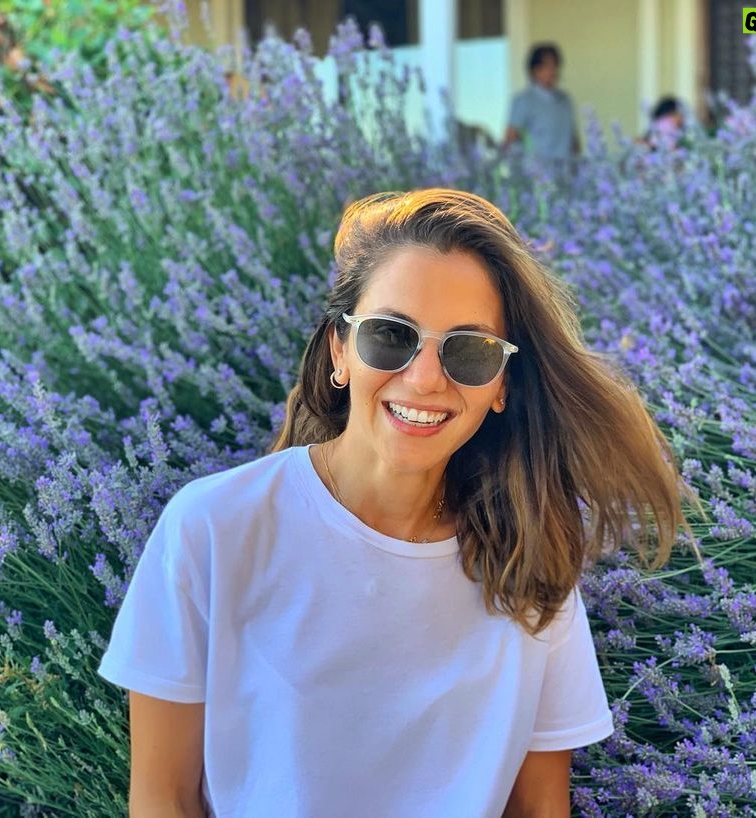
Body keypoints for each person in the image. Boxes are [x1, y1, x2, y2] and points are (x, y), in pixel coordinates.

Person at [97, 189, 690, 817]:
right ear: (340, 351)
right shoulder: (215, 529)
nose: (426, 378)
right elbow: (163, 798)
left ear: (501, 385)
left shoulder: (530, 561)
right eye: (390, 336)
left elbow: (539, 809)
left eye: (469, 351)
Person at [504, 43, 579, 168]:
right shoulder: (523, 101)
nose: (553, 71)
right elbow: (510, 140)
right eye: (547, 66)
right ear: (535, 70)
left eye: (555, 65)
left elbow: (573, 140)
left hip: (566, 172)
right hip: (537, 174)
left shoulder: (565, 100)